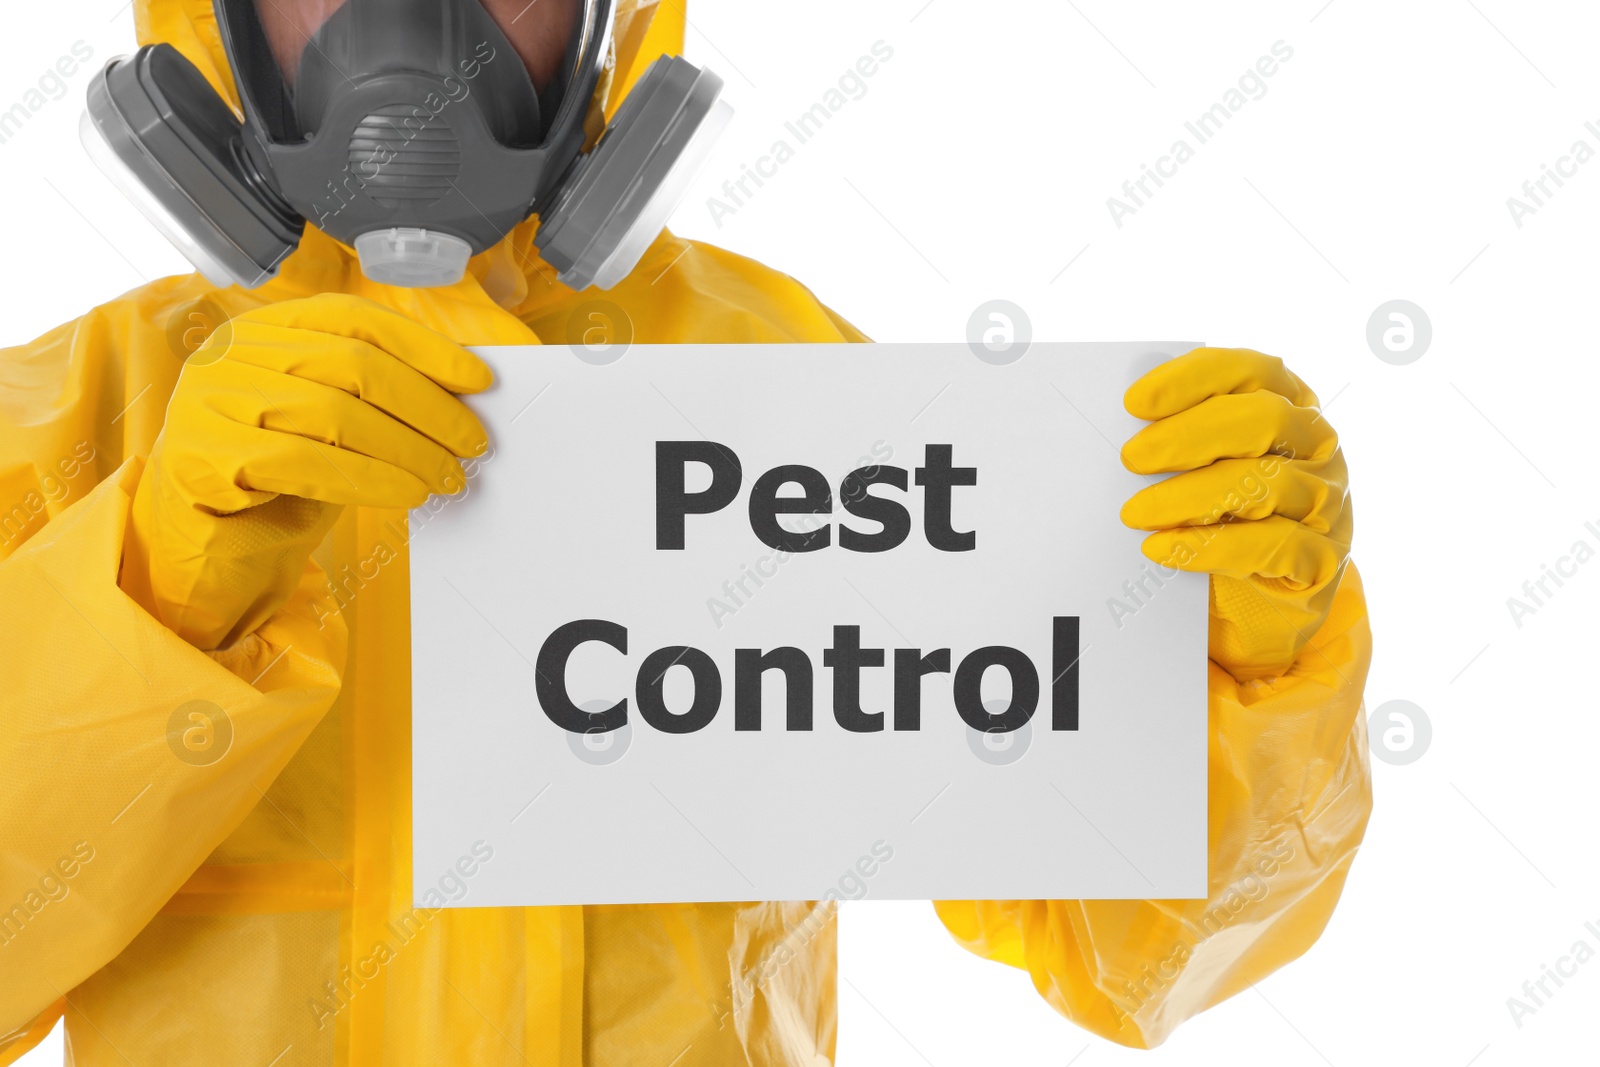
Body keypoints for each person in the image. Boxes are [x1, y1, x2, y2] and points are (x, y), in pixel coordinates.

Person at [0, 0, 1370, 1062]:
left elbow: (1133, 949)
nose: (414, 38)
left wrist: (1234, 676)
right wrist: (149, 594)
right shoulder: (79, 426)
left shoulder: (781, 388)